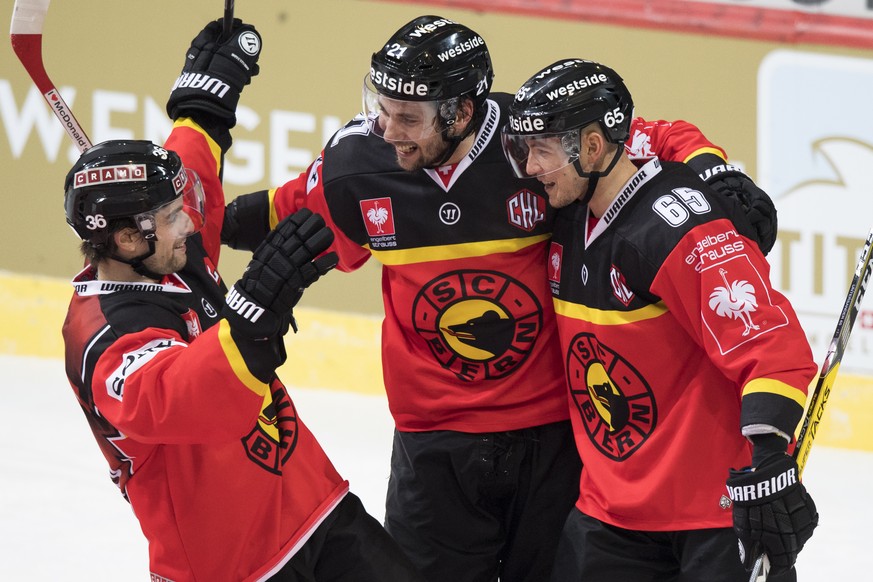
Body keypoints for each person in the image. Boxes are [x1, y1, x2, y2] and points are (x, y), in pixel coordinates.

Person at [221, 15, 779, 582]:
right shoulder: (360, 161)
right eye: (381, 107)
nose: (387, 129)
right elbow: (287, 210)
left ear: (460, 113)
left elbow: (653, 136)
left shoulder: (533, 140)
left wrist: (717, 174)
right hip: (433, 446)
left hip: (551, 438)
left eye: (407, 117)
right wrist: (188, 230)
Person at [60, 18, 424, 582]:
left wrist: (203, 104)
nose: (195, 224)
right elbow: (180, 399)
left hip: (312, 507)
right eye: (172, 217)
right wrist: (251, 311)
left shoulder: (163, 249)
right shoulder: (102, 335)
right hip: (227, 564)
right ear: (129, 239)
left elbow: (194, 178)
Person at [500, 58, 819, 581]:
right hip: (608, 512)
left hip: (711, 518)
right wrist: (712, 162)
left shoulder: (674, 228)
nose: (530, 167)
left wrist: (767, 463)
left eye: (541, 151)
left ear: (594, 148)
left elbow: (771, 346)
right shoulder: (568, 205)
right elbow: (652, 129)